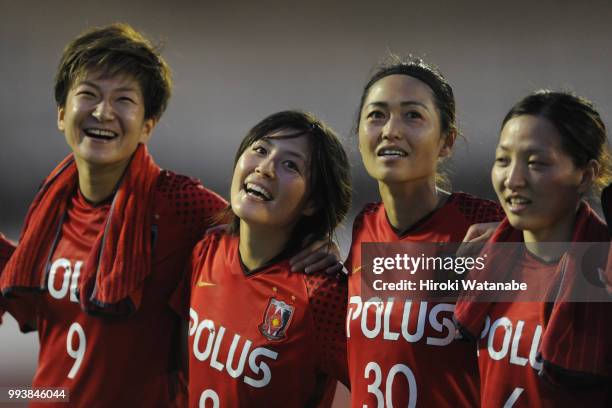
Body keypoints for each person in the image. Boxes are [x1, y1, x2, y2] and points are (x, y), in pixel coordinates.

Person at [0, 23, 228, 407]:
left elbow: (261, 240)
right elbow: (52, 342)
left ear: (147, 127)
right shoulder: (50, 205)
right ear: (61, 115)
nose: (103, 112)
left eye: (124, 100)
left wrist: (315, 241)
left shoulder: (177, 202)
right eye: (88, 94)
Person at [345, 55, 504, 407]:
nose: (391, 129)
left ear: (446, 141)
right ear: (358, 137)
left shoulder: (481, 224)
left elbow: (589, 284)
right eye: (376, 115)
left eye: (413, 115)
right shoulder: (364, 227)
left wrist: (528, 251)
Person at [174, 110, 351, 407]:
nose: (265, 168)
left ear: (313, 202)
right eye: (260, 149)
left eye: (290, 165)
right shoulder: (207, 249)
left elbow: (388, 376)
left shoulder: (323, 294)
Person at [454, 90, 612, 406]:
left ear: (586, 174)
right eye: (502, 160)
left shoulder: (604, 281)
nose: (513, 179)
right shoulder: (485, 260)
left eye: (536, 163)